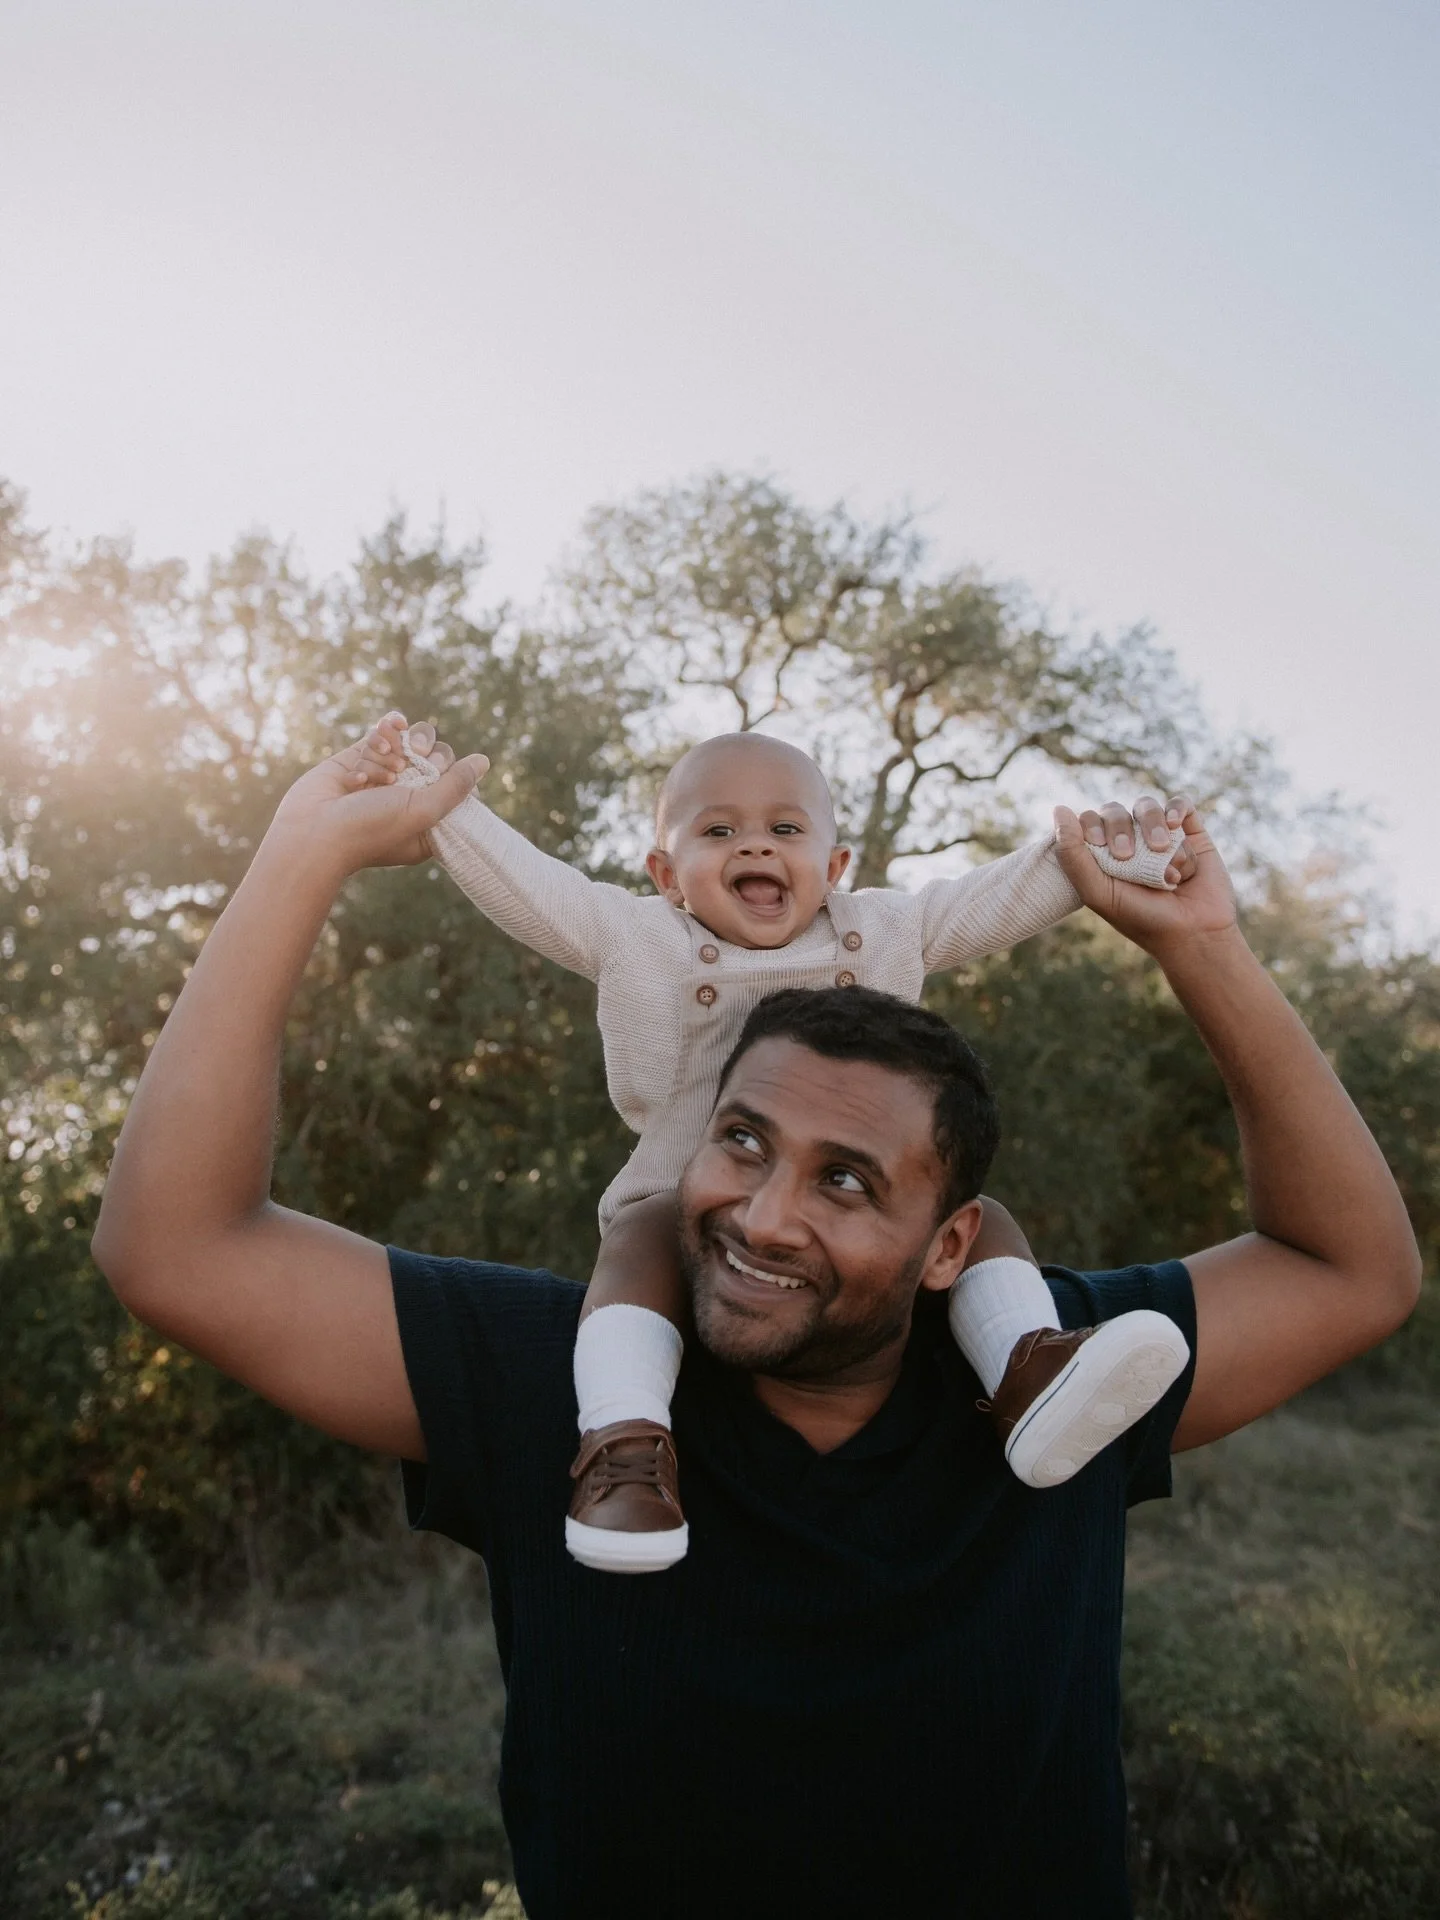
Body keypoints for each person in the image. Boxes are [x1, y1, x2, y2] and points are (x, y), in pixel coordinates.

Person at [92, 741, 1419, 1919]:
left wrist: (1201, 944)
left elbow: (1349, 1270)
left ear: (953, 1244)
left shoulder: (1082, 1391)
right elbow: (179, 1247)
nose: (764, 1217)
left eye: (847, 1181)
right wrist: (299, 857)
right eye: (741, 1141)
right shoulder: (547, 1374)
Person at [348, 712, 1191, 1571]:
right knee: (638, 1238)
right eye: (719, 830)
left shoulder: (881, 932)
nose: (755, 845)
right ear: (666, 874)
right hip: (685, 1198)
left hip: (844, 1214)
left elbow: (993, 897)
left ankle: (1028, 1373)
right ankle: (623, 1448)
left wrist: (1109, 859)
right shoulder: (638, 939)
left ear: (832, 869)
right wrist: (439, 803)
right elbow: (536, 889)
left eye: (784, 829)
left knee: (984, 1221)